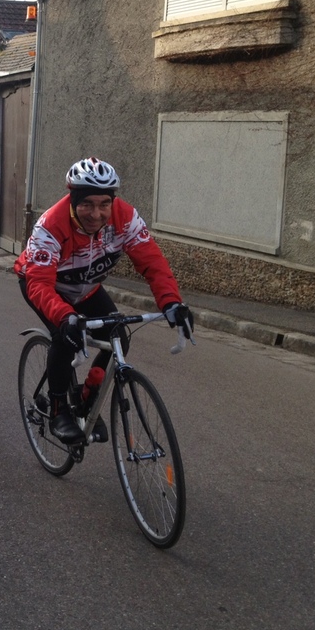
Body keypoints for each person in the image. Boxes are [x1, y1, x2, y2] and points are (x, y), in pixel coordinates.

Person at [15, 157, 193, 445]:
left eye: (104, 204)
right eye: (86, 204)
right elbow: (39, 284)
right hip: (46, 288)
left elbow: (153, 262)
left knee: (118, 336)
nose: (96, 214)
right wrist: (65, 317)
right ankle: (59, 409)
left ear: (113, 202)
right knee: (64, 337)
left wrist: (171, 302)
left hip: (86, 289)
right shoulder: (50, 225)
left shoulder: (126, 218)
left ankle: (86, 397)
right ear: (73, 200)